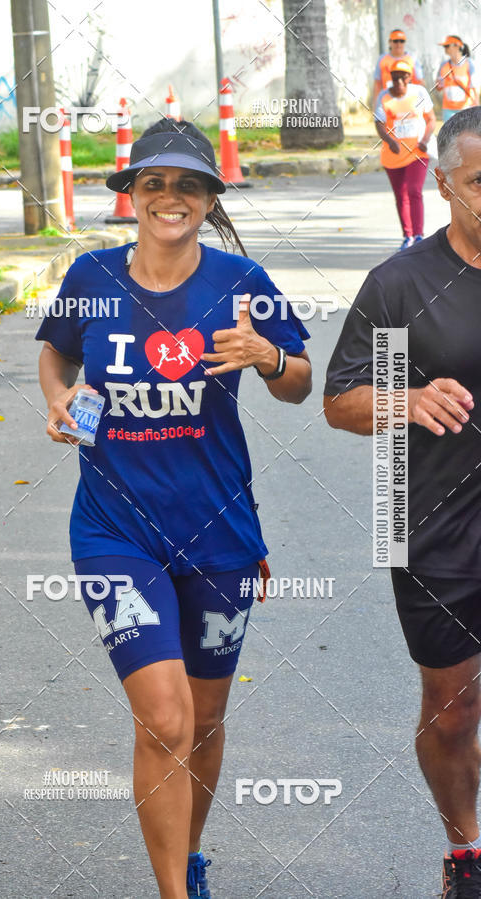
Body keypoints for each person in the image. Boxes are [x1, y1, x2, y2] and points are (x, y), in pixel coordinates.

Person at [36, 118, 312, 898]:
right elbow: (56, 349)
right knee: (164, 716)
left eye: (187, 184)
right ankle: (174, 892)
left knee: (205, 718)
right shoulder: (91, 277)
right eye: (152, 182)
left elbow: (299, 384)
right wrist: (59, 398)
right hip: (114, 528)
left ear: (208, 199)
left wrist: (271, 357)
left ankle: (188, 853)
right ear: (130, 196)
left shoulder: (241, 283)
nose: (169, 197)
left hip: (218, 530)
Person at [323, 106, 481, 897]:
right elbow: (341, 400)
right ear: (442, 180)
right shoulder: (401, 284)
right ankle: (466, 855)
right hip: (433, 525)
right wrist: (408, 399)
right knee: (453, 711)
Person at [374, 58, 436, 250]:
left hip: (417, 151)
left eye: (403, 76)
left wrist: (425, 140)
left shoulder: (419, 93)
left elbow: (431, 119)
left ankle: (418, 236)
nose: (399, 80)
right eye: (395, 76)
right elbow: (379, 123)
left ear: (409, 77)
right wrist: (390, 141)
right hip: (393, 155)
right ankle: (407, 236)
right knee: (400, 195)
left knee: (413, 191)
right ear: (391, 77)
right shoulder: (384, 96)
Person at [373, 28, 424, 105]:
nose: (399, 44)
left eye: (402, 41)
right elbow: (377, 84)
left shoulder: (413, 59)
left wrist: (421, 103)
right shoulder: (382, 59)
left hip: (409, 102)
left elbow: (420, 83)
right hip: (388, 103)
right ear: (390, 42)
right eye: (395, 41)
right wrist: (376, 105)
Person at [435, 35, 478, 122]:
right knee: (448, 135)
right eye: (444, 46)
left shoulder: (469, 64)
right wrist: (438, 85)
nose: (445, 48)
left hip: (466, 108)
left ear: (457, 46)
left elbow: (474, 87)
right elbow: (439, 88)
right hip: (448, 109)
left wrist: (476, 106)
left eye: (447, 46)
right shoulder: (443, 65)